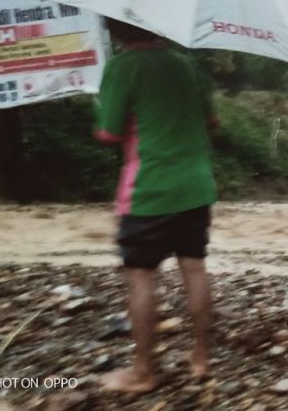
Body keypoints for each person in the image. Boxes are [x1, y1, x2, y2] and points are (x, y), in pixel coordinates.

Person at [94, 19, 218, 393]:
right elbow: (212, 122)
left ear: (115, 30)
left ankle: (144, 372)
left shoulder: (122, 67)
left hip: (149, 190)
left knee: (142, 276)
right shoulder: (187, 64)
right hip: (196, 186)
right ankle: (200, 358)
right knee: (194, 268)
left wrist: (102, 107)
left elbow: (108, 133)